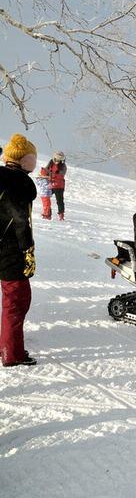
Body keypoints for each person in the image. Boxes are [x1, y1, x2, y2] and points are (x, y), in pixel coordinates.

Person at [0, 134, 39, 367]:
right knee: (17, 300)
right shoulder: (19, 183)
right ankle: (11, 353)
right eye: (33, 157)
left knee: (11, 299)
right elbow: (20, 221)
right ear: (23, 159)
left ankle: (5, 343)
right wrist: (28, 251)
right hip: (11, 249)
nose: (35, 161)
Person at [46, 151, 67, 220]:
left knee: (59, 200)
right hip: (50, 184)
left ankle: (61, 215)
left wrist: (51, 175)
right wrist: (43, 174)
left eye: (60, 160)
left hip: (59, 186)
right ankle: (47, 213)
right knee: (46, 197)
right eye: (57, 159)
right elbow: (46, 170)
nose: (58, 161)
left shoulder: (63, 166)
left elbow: (61, 175)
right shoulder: (50, 163)